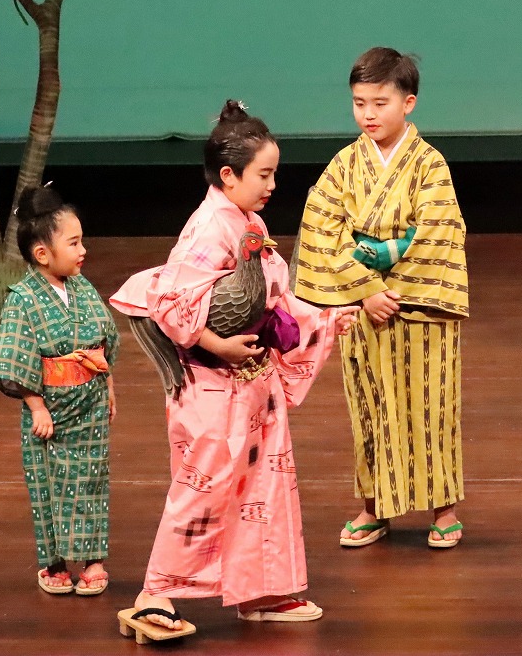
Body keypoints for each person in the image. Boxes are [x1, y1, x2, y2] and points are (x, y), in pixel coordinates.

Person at [110, 100, 358, 640]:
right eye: (263, 174)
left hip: (253, 385)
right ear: (229, 174)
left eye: (274, 173)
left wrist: (335, 318)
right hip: (211, 385)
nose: (272, 184)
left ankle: (260, 590)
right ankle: (155, 593)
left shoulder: (249, 221)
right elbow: (171, 303)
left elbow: (278, 299)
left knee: (263, 485)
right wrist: (215, 343)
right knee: (203, 486)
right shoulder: (207, 228)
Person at [293, 48, 469, 549]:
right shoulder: (345, 166)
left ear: (408, 103)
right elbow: (321, 230)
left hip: (420, 308)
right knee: (369, 408)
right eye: (359, 103)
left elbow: (439, 231)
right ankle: (372, 507)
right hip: (363, 307)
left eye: (380, 103)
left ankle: (444, 508)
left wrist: (392, 281)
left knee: (431, 407)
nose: (368, 115)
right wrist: (367, 289)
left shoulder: (428, 164)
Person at [0, 184, 118, 596]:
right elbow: (17, 355)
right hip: (50, 410)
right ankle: (55, 563)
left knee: (91, 479)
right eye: (74, 243)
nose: (83, 251)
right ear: (42, 253)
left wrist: (109, 384)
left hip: (91, 403)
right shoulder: (22, 299)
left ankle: (93, 560)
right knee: (47, 485)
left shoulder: (82, 287)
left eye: (82, 241)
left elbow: (103, 340)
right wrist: (36, 406)